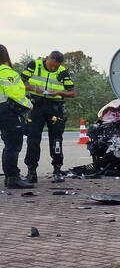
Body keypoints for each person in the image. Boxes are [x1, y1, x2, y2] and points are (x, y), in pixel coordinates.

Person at [22, 50, 75, 183]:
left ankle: (57, 170)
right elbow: (20, 83)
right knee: (33, 139)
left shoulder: (62, 71)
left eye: (56, 67)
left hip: (54, 107)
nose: (53, 68)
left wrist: (58, 92)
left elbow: (72, 93)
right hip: (36, 106)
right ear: (48, 59)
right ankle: (31, 171)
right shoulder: (35, 65)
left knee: (56, 138)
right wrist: (33, 89)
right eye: (52, 65)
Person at [1, 44, 34, 189]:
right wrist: (29, 104)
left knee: (8, 146)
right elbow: (15, 94)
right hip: (7, 112)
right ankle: (12, 177)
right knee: (13, 145)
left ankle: (10, 176)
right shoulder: (7, 72)